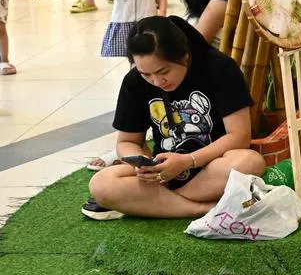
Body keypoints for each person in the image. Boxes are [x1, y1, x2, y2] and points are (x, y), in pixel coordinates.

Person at [83, 16, 265, 220]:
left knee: (250, 161)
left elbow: (239, 136)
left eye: (164, 71)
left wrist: (188, 161)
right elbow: (127, 141)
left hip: (212, 168)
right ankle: (205, 209)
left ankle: (156, 204)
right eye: (146, 75)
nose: (157, 81)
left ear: (185, 56)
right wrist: (142, 164)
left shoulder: (219, 67)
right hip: (162, 174)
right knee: (101, 183)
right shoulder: (134, 81)